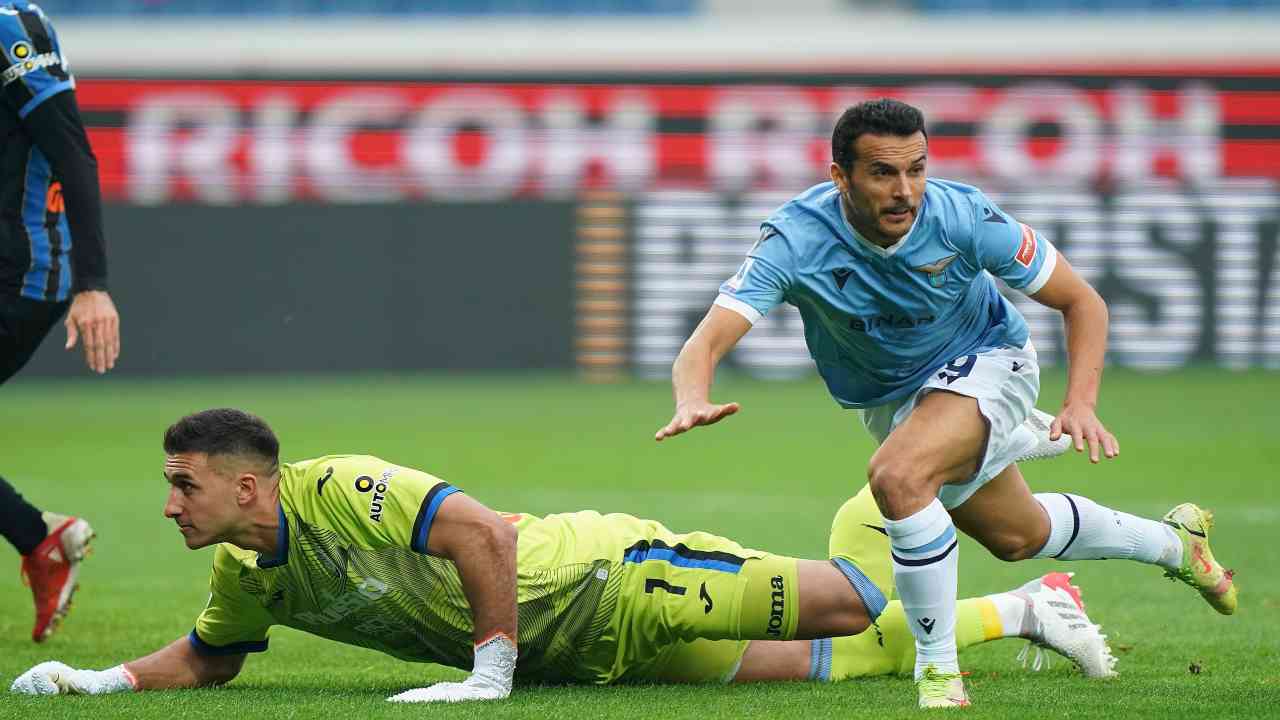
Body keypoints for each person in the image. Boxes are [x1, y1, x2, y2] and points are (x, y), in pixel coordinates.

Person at [653, 98, 1236, 708]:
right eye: (883, 173)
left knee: (899, 477)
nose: (905, 190)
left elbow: (1083, 301)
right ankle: (1177, 545)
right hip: (894, 401)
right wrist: (692, 397)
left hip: (991, 359)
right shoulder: (794, 239)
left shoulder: (964, 217)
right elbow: (705, 342)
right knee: (1019, 536)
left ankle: (938, 674)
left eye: (917, 168)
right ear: (839, 177)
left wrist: (1081, 402)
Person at [10, 408, 1113, 700]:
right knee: (844, 665)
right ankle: (1025, 610)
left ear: (246, 483)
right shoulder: (244, 570)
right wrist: (99, 679)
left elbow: (484, 532)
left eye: (182, 484)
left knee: (855, 598)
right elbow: (209, 659)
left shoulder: (340, 486)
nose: (168, 505)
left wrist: (486, 672)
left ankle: (929, 463)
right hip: (579, 656)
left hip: (605, 577)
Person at [1, 1, 120, 642]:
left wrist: (92, 283)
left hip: (19, 272)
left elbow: (72, 149)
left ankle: (39, 536)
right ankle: (38, 537)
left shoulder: (11, 26)